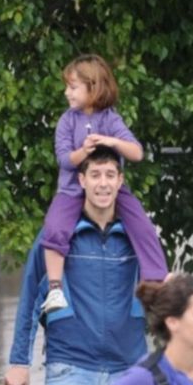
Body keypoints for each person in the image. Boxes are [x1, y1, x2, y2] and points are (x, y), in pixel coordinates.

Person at [5, 145, 149, 385]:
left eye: (110, 175)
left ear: (120, 181)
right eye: (95, 175)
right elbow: (29, 298)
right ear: (81, 180)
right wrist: (19, 362)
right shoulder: (56, 236)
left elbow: (161, 298)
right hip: (71, 366)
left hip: (128, 370)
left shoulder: (139, 236)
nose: (103, 183)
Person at [40, 53, 168, 314]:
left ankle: (156, 282)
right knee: (54, 228)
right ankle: (55, 289)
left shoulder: (111, 119)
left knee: (144, 226)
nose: (66, 93)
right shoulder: (67, 121)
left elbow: (136, 153)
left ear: (93, 87)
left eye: (72, 87)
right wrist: (83, 151)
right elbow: (64, 159)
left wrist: (112, 142)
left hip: (110, 191)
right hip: (71, 190)